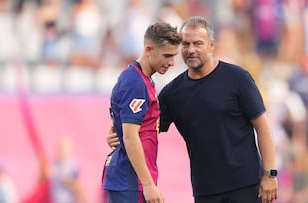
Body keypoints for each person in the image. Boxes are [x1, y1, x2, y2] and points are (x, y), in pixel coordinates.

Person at [107, 16, 278, 203]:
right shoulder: (172, 93)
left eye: (198, 43)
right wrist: (116, 131)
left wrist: (270, 173)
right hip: (205, 191)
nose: (191, 50)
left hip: (246, 186)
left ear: (211, 45)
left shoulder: (237, 78)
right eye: (186, 44)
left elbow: (262, 127)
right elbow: (144, 124)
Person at [102, 21, 182, 203]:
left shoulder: (138, 79)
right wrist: (148, 184)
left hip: (131, 179)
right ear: (149, 49)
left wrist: (117, 132)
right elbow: (131, 137)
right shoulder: (136, 84)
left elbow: (127, 126)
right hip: (131, 180)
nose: (172, 62)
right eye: (167, 56)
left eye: (174, 56)